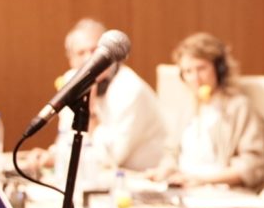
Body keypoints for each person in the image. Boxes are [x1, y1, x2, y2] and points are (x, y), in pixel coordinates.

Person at [26, 18, 166, 174]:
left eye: (94, 51)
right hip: (99, 177)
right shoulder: (71, 81)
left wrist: (91, 115)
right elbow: (68, 136)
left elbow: (110, 157)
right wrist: (53, 155)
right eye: (81, 53)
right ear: (71, 60)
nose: (89, 59)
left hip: (141, 180)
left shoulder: (130, 89)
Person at [148, 32, 264, 190]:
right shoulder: (186, 107)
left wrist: (204, 180)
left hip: (220, 193)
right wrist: (164, 171)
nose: (195, 79)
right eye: (188, 72)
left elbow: (253, 166)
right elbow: (172, 152)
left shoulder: (239, 107)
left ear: (219, 69)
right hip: (184, 188)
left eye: (201, 69)